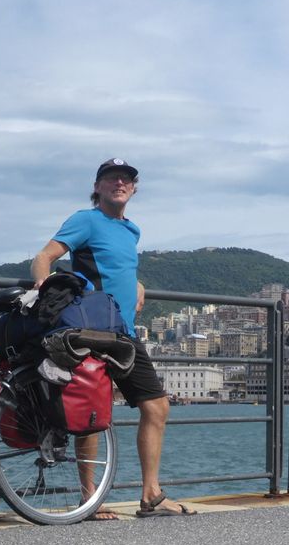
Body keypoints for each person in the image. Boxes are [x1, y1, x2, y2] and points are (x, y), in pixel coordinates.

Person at [30, 157, 197, 519]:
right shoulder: (86, 220)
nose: (119, 182)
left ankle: (151, 494)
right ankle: (89, 499)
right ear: (97, 188)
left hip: (124, 332)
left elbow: (118, 266)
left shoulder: (132, 230)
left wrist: (137, 283)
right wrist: (44, 284)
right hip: (91, 327)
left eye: (126, 179)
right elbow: (45, 255)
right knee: (92, 411)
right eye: (110, 178)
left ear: (134, 188)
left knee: (157, 406)